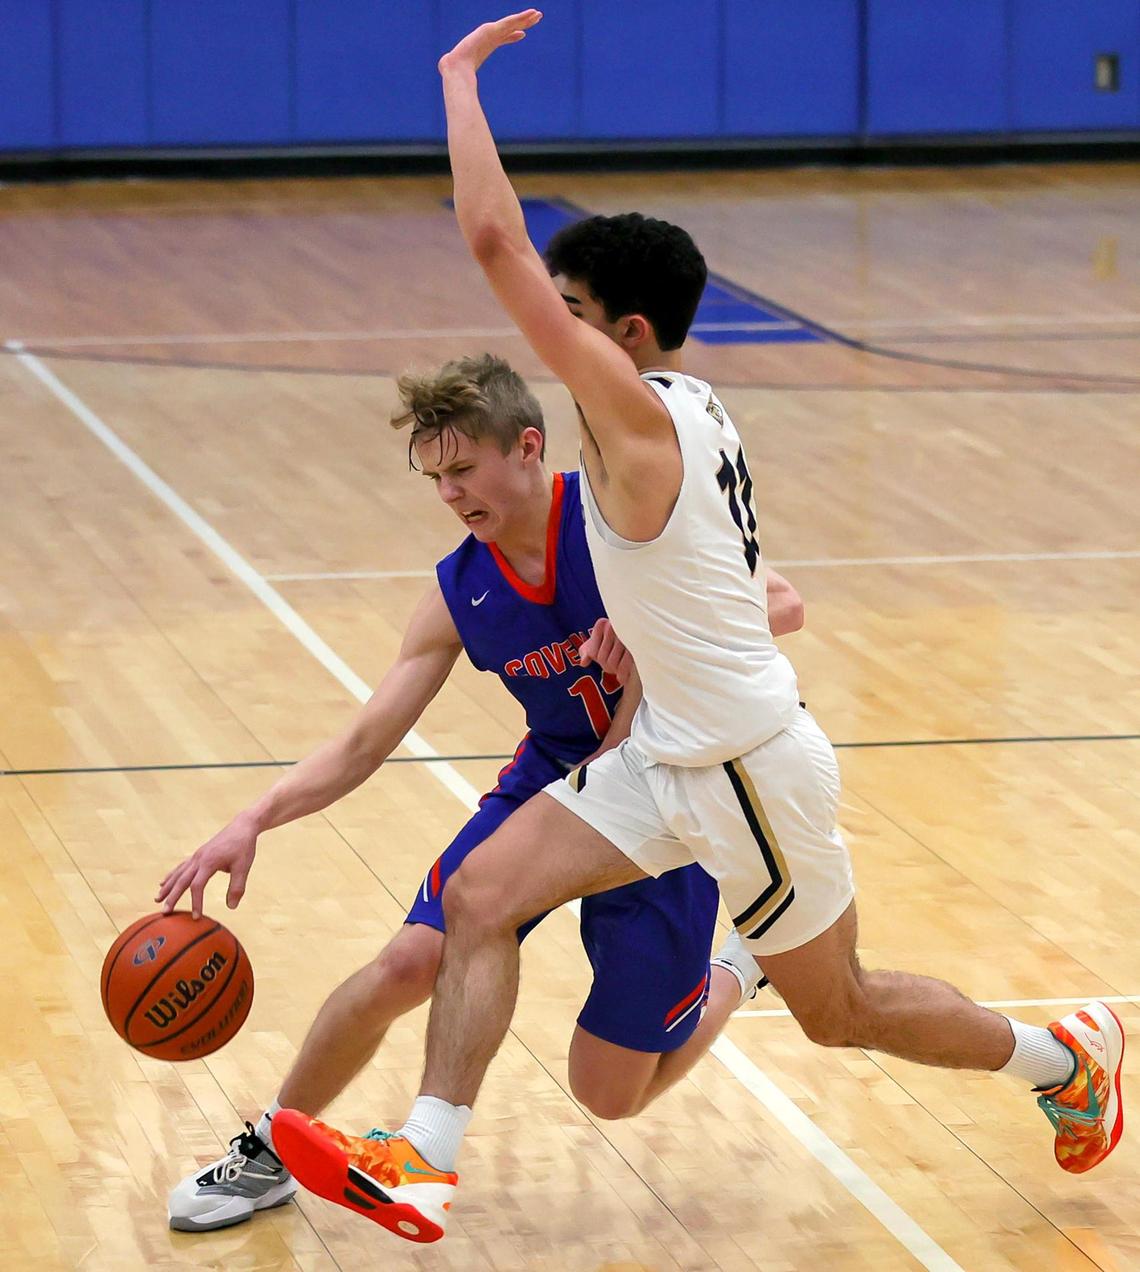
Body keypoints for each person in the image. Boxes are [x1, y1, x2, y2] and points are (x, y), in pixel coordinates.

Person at [268, 10, 1126, 1245]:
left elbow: (492, 237)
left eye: (567, 314)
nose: (544, 331)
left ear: (622, 336)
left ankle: (1061, 1055)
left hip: (748, 775)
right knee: (481, 894)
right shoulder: (688, 408)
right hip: (667, 753)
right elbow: (724, 580)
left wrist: (458, 82)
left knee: (844, 1011)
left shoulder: (639, 425)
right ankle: (425, 1157)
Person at [159, 352, 806, 1233]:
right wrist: (253, 819)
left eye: (464, 469)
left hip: (661, 796)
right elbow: (362, 741)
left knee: (610, 1093)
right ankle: (271, 1146)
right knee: (407, 961)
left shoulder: (623, 517)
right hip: (554, 783)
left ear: (529, 448)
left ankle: (736, 967)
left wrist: (655, 623)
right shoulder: (459, 589)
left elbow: (783, 602)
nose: (451, 494)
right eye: (435, 478)